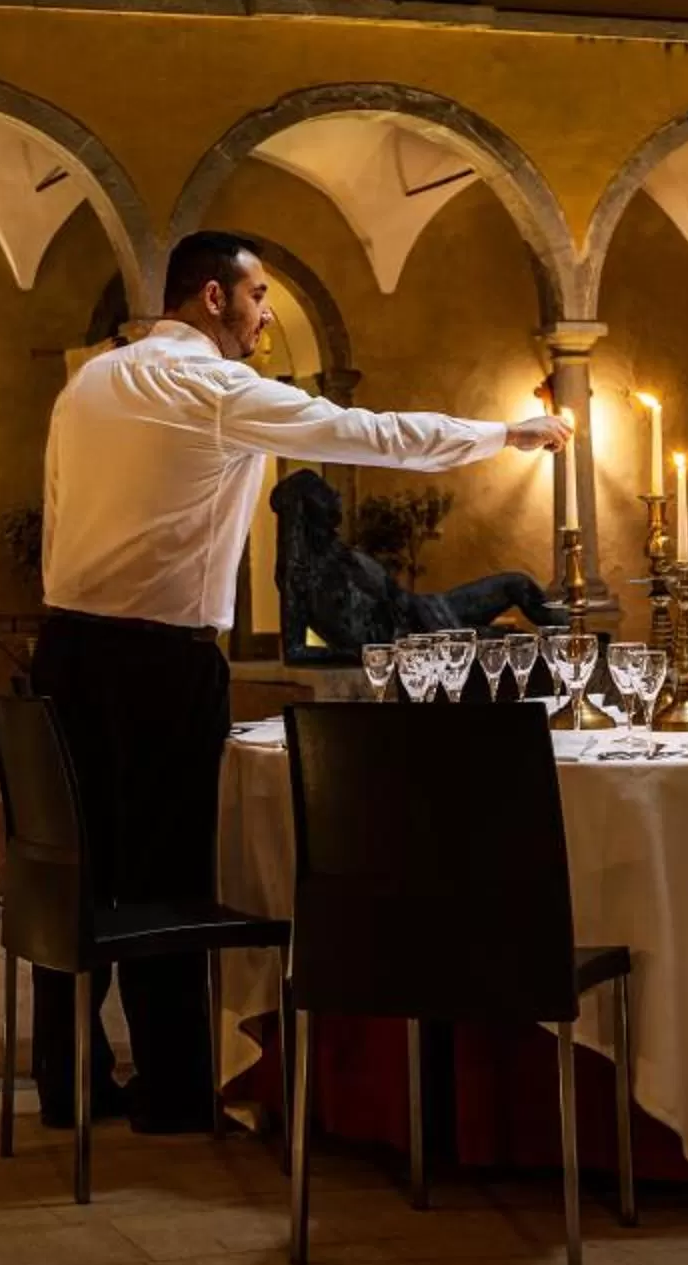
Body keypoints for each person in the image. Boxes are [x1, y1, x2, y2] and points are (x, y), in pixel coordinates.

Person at [32, 229, 572, 1133]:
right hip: (162, 661)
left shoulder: (88, 381)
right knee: (167, 872)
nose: (266, 314)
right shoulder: (213, 387)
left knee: (77, 870)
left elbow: (56, 517)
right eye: (258, 296)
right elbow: (366, 434)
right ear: (212, 298)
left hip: (66, 650)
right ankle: (170, 1090)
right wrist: (505, 432)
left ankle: (67, 1082)